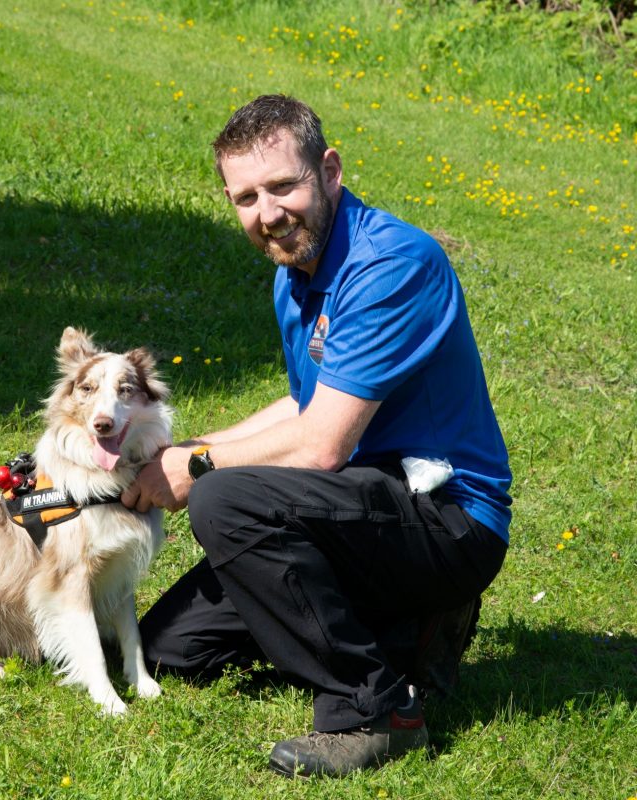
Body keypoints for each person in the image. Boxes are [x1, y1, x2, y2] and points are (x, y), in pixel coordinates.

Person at [120, 94, 512, 778]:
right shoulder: (295, 269)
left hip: (447, 520)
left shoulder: (391, 266)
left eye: (282, 186)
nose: (267, 213)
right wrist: (184, 450)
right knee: (167, 649)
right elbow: (304, 406)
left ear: (329, 171)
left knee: (224, 502)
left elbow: (320, 445)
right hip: (358, 503)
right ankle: (399, 629)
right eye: (245, 197)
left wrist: (201, 466)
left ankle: (376, 710)